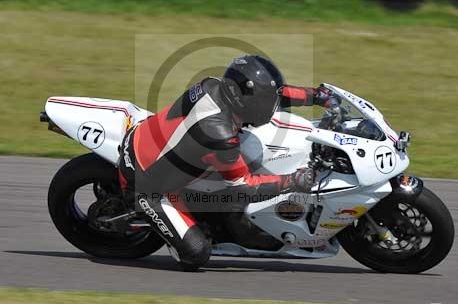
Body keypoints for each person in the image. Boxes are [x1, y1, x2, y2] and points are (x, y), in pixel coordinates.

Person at [118, 55, 332, 270]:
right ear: (242, 99)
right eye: (262, 101)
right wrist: (293, 181)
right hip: (146, 184)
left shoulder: (214, 84)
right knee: (196, 254)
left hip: (150, 140)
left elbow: (272, 93)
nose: (268, 106)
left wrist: (316, 96)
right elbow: (245, 186)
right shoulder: (218, 134)